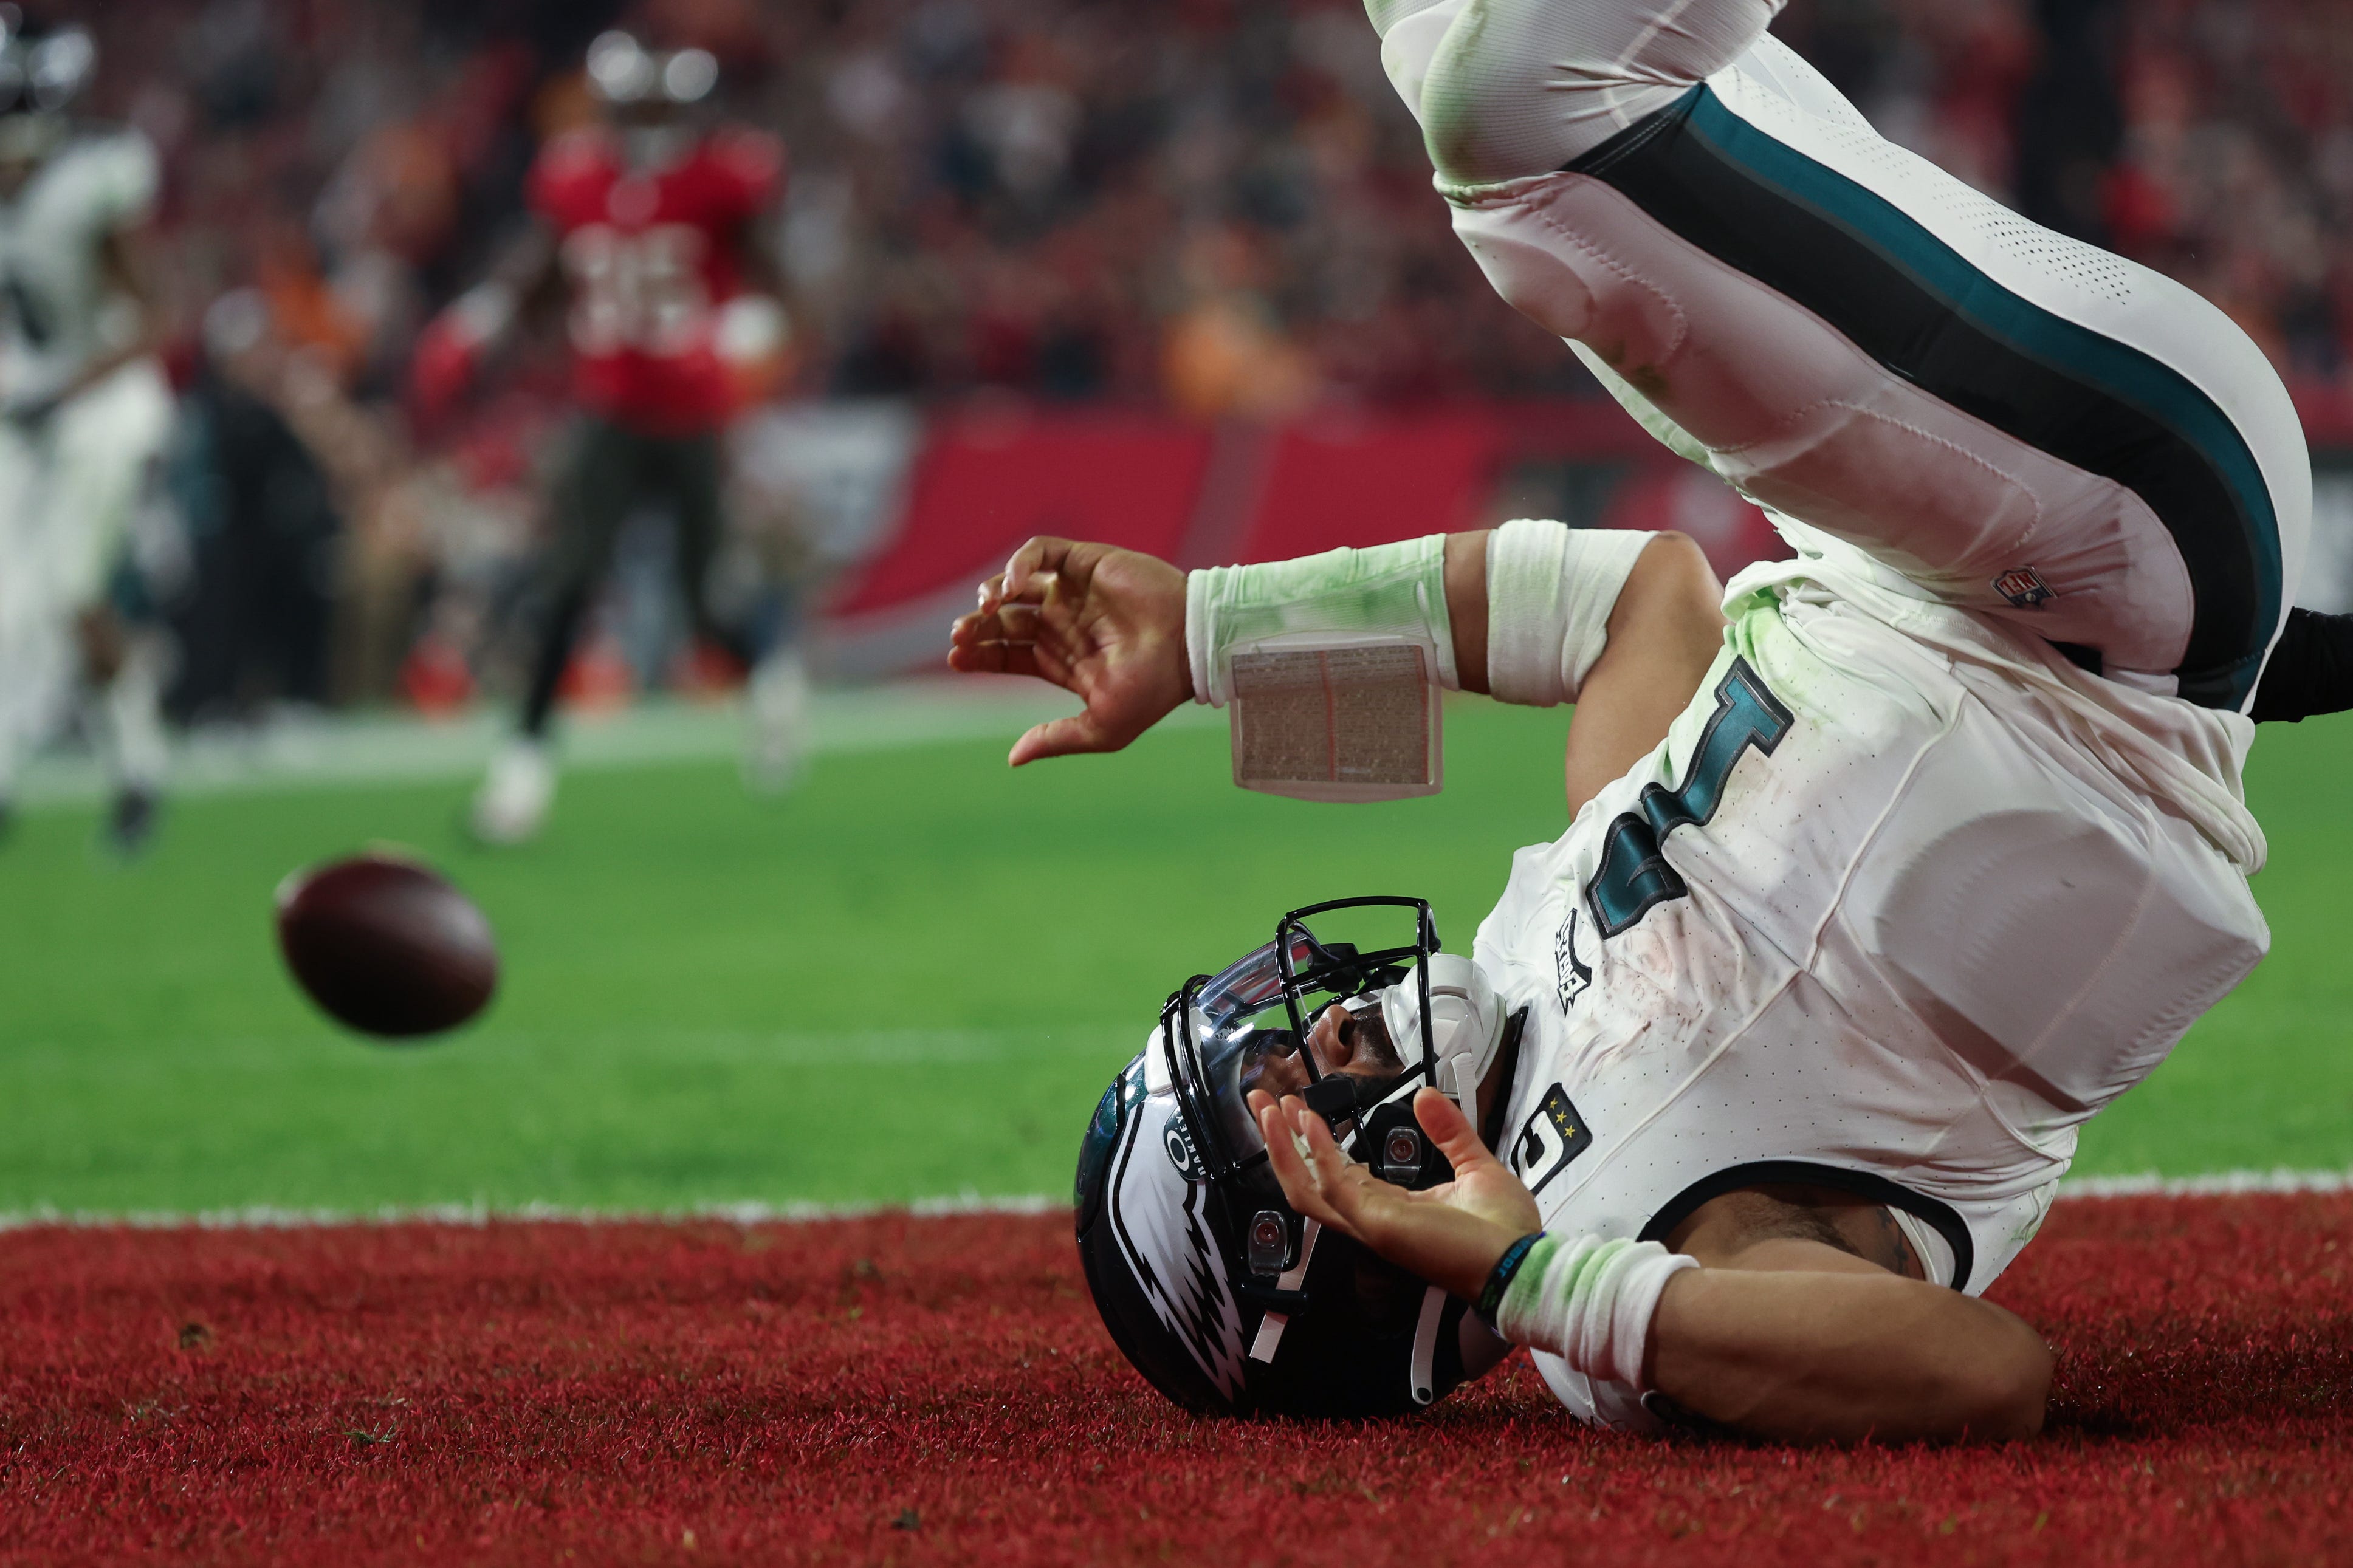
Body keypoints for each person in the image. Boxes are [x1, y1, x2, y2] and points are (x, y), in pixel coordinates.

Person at [947, 0, 2346, 1442]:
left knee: (1447, 45)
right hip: (2104, 563)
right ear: (1324, 1257)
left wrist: (1206, 644)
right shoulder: (1623, 1272)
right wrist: (1531, 1272)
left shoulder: (1527, 969)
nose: (1317, 1025)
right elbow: (1979, 1372)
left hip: (1965, 554)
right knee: (1525, 123)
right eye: (1284, 1096)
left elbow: (1624, 602)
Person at [411, 29, 801, 844]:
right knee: (569, 585)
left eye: (661, 107)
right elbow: (546, 266)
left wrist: (749, 327)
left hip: (692, 414)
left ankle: (771, 674)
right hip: (610, 411)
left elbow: (775, 282)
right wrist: (481, 321)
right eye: (636, 107)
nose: (648, 123)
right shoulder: (576, 176)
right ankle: (521, 778)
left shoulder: (719, 180)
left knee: (705, 607)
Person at [0, 18, 173, 852]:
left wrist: (61, 391)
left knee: (73, 594)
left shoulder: (91, 185)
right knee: (7, 603)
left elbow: (147, 323)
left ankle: (139, 768)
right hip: (27, 402)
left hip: (104, 403)